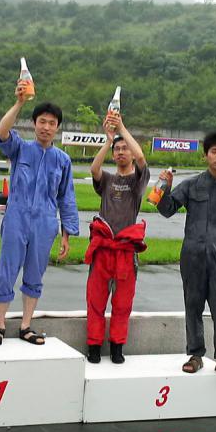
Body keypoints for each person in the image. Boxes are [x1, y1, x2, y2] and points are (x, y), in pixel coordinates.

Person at [156, 131, 216, 379]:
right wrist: (163, 187)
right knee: (193, 304)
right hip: (192, 254)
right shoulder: (191, 185)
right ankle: (195, 355)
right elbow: (167, 210)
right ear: (205, 156)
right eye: (214, 151)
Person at [0, 80, 79, 346]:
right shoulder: (20, 148)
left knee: (35, 273)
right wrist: (19, 102)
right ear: (34, 123)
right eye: (42, 122)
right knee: (6, 270)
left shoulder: (62, 160)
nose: (46, 127)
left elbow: (66, 197)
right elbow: (2, 132)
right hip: (16, 218)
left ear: (58, 127)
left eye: (52, 123)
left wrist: (66, 234)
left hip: (45, 222)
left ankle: (26, 326)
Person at [85, 112, 149, 364]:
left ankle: (117, 347)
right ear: (113, 154)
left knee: (122, 303)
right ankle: (93, 345)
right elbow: (94, 169)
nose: (121, 152)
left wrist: (121, 127)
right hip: (102, 250)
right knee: (96, 300)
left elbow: (142, 158)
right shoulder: (108, 180)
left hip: (125, 252)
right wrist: (108, 139)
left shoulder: (138, 182)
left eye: (125, 149)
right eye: (118, 149)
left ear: (131, 153)